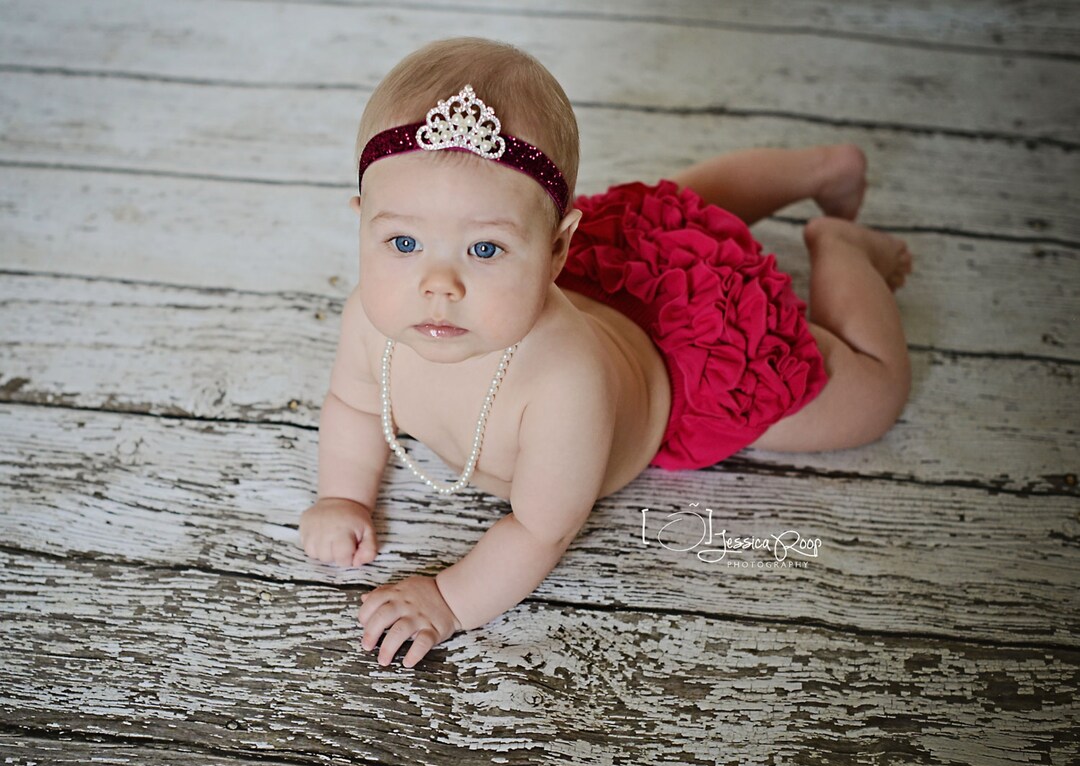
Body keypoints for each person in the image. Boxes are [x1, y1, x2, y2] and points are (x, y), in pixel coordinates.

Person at [298, 37, 912, 668]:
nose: (439, 284)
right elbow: (351, 402)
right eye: (403, 242)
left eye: (484, 249)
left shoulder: (564, 379)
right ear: (361, 223)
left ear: (557, 249)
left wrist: (449, 600)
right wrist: (343, 495)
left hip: (688, 371)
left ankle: (841, 247)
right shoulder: (371, 322)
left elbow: (541, 527)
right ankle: (817, 170)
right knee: (671, 216)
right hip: (610, 282)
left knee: (871, 395)